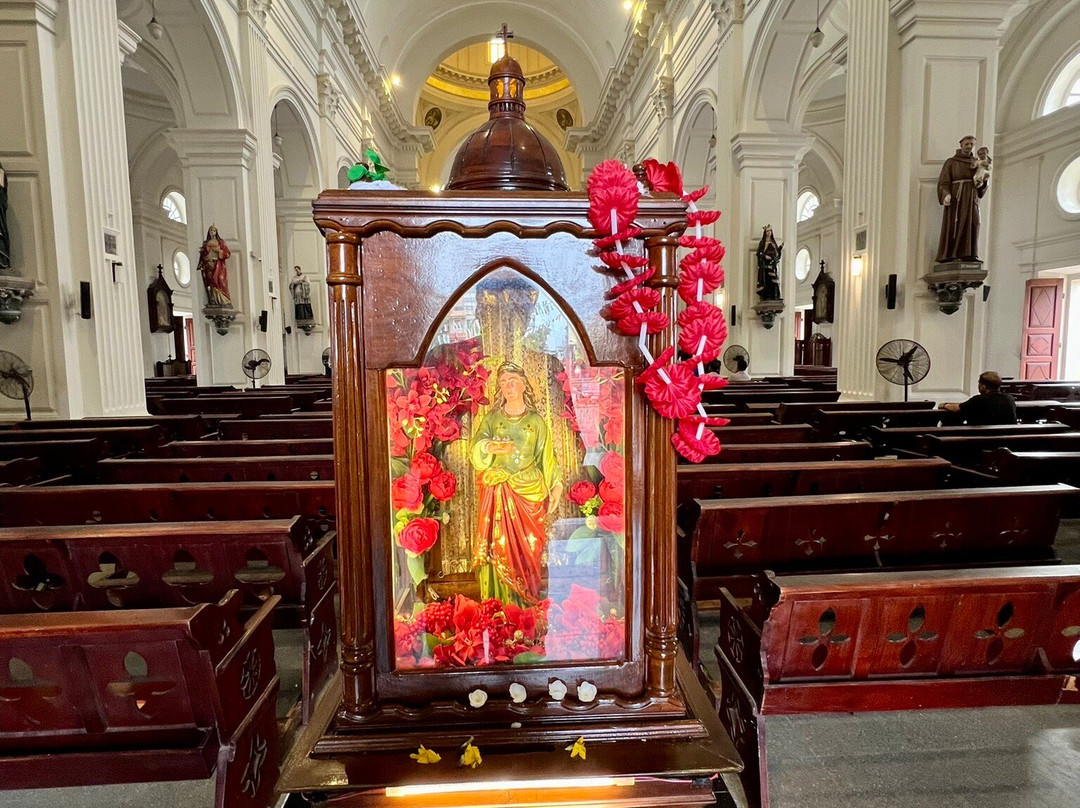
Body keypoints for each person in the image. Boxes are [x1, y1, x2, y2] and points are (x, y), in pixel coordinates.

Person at [470, 362, 563, 606]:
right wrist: (489, 447)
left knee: (528, 550)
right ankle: (497, 606)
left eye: (513, 381)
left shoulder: (536, 421)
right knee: (497, 545)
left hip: (528, 491)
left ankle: (526, 603)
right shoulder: (492, 419)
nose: (508, 386)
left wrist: (556, 486)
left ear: (523, 385)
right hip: (497, 491)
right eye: (503, 382)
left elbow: (547, 458)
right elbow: (476, 448)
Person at [936, 136, 988, 263]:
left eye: (971, 144)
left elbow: (980, 186)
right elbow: (944, 181)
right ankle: (952, 254)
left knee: (974, 223)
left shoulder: (977, 163)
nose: (969, 146)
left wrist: (984, 181)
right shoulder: (951, 162)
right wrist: (946, 194)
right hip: (957, 199)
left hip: (971, 198)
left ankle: (969, 254)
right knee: (956, 224)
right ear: (961, 145)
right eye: (967, 144)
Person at [939, 371, 1017, 425]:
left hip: (982, 440)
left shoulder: (979, 400)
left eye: (979, 384)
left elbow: (956, 408)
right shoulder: (1009, 399)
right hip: (1007, 440)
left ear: (983, 386)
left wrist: (944, 405)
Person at [198, 225, 232, 307]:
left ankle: (223, 300)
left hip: (218, 265)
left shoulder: (220, 242)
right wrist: (205, 258)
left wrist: (219, 251)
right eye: (211, 230)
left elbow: (227, 253)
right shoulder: (205, 243)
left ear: (216, 232)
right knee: (210, 282)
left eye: (214, 231)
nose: (212, 232)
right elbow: (202, 255)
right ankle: (213, 300)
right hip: (209, 265)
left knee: (219, 280)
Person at [756, 225, 782, 300]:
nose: (769, 232)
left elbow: (777, 254)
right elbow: (759, 253)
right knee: (767, 281)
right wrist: (764, 256)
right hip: (766, 266)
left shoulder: (773, 243)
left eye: (770, 231)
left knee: (774, 281)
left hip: (773, 265)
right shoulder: (763, 243)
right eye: (767, 231)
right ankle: (766, 296)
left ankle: (774, 295)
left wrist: (778, 253)